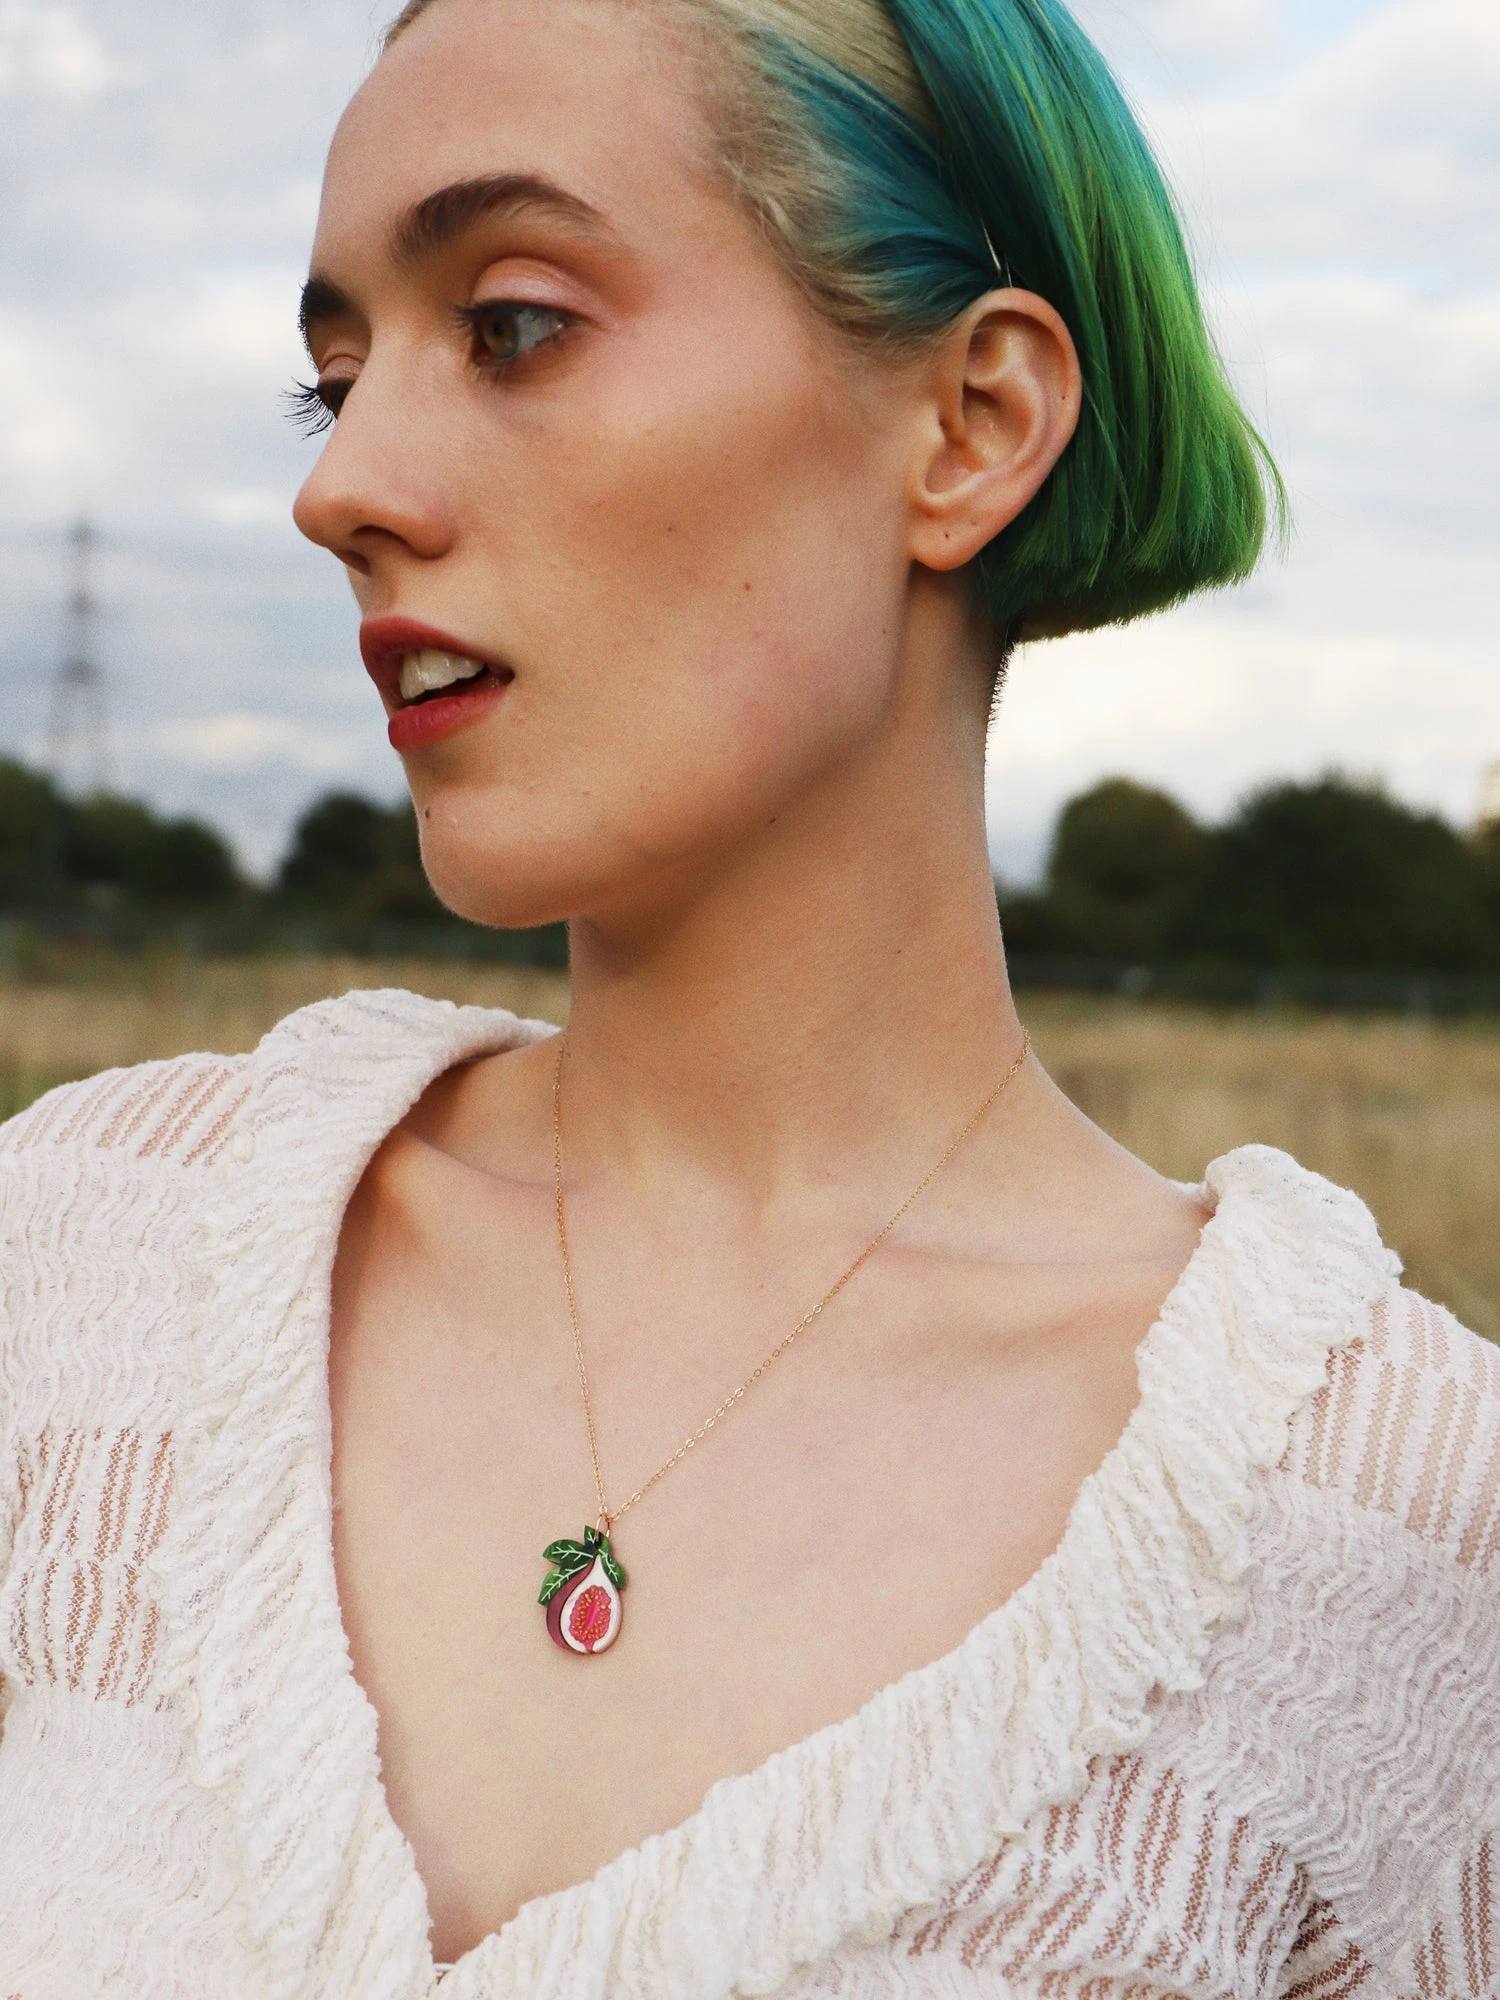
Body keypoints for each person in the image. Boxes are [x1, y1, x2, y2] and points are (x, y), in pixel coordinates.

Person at [1, 0, 1496, 1994]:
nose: (341, 485)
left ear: (971, 425)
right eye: (333, 382)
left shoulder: (1387, 1537)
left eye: (511, 324)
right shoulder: (93, 1260)